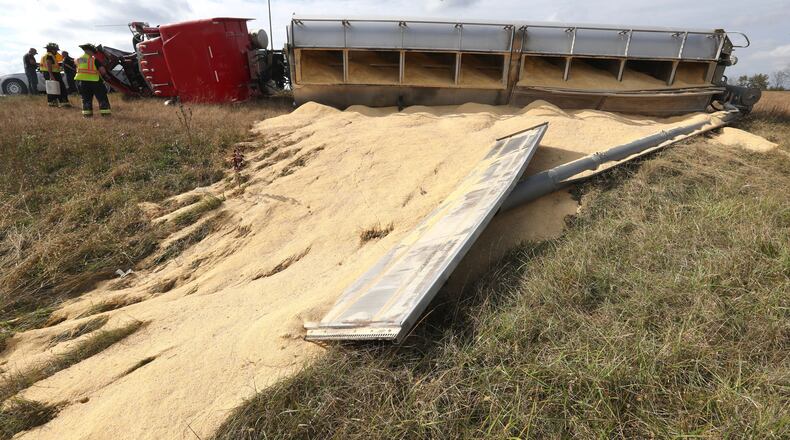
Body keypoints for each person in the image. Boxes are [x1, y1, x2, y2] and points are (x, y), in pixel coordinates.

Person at [74, 44, 111, 117]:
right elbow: (102, 71)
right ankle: (106, 114)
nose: (93, 53)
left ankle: (87, 115)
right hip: (95, 81)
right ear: (88, 51)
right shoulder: (94, 60)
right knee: (102, 98)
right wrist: (106, 76)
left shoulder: (78, 59)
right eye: (93, 51)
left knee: (86, 99)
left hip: (82, 82)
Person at [40, 43, 71, 107]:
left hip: (48, 73)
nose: (56, 51)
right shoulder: (49, 55)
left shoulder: (45, 55)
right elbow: (49, 64)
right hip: (53, 73)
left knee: (51, 88)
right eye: (56, 50)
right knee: (61, 88)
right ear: (52, 50)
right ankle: (64, 103)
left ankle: (52, 102)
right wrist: (51, 75)